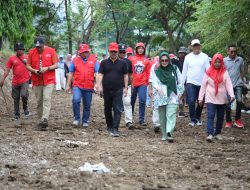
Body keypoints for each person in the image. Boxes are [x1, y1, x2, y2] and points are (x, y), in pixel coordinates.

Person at [198, 54, 234, 142]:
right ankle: (210, 133)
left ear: (221, 62)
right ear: (213, 62)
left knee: (221, 116)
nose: (217, 64)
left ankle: (218, 133)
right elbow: (203, 85)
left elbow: (228, 84)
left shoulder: (224, 72)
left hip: (222, 97)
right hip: (210, 97)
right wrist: (200, 98)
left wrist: (232, 95)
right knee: (210, 115)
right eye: (215, 62)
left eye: (219, 62)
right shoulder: (208, 72)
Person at [97, 42, 128, 137]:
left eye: (115, 51)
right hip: (106, 89)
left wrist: (126, 88)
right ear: (108, 51)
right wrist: (98, 86)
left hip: (118, 89)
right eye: (112, 51)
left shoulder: (123, 63)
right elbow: (100, 74)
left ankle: (115, 128)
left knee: (117, 109)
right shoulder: (104, 62)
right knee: (107, 108)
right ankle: (109, 125)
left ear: (118, 51)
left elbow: (126, 76)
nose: (113, 53)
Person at [151, 51, 184, 142]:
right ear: (160, 61)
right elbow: (154, 82)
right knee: (162, 115)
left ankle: (170, 132)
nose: (164, 62)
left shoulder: (174, 68)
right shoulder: (156, 71)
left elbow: (180, 80)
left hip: (173, 94)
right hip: (161, 95)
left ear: (169, 60)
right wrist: (158, 89)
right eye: (162, 60)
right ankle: (164, 134)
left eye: (166, 60)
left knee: (171, 113)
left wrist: (180, 92)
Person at [26, 37, 58, 130]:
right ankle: (40, 120)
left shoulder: (51, 51)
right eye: (37, 47)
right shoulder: (31, 52)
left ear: (44, 44)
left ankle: (45, 119)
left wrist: (47, 68)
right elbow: (27, 65)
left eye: (40, 47)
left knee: (46, 99)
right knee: (39, 101)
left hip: (49, 80)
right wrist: (34, 70)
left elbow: (56, 64)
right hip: (37, 80)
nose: (39, 48)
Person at [66, 44, 99, 128]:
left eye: (86, 52)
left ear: (89, 51)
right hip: (77, 85)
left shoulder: (94, 60)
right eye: (83, 52)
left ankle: (85, 120)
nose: (84, 54)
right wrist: (68, 85)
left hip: (89, 85)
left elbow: (97, 73)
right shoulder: (75, 60)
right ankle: (77, 118)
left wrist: (97, 84)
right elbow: (70, 73)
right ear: (79, 53)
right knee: (76, 100)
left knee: (87, 104)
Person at [181, 39, 210, 127]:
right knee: (191, 101)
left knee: (201, 102)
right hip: (190, 82)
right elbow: (184, 71)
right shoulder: (188, 57)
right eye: (194, 46)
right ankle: (193, 119)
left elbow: (208, 70)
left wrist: (209, 82)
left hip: (202, 83)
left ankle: (198, 117)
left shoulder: (205, 56)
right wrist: (182, 84)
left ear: (200, 46)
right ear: (191, 47)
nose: (196, 47)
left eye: (197, 45)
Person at [0, 42, 30, 120]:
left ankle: (25, 109)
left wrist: (27, 63)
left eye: (20, 49)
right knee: (15, 98)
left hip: (25, 80)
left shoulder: (28, 57)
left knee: (23, 95)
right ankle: (16, 114)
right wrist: (2, 79)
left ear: (23, 50)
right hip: (15, 82)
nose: (19, 51)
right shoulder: (11, 58)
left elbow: (33, 67)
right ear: (15, 50)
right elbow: (7, 70)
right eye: (17, 49)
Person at [224, 44, 245, 128]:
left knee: (239, 101)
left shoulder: (240, 59)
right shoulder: (224, 60)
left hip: (238, 85)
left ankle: (237, 120)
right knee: (228, 104)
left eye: (235, 51)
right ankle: (228, 121)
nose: (233, 53)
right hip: (228, 86)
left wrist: (242, 81)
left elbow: (242, 71)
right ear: (228, 51)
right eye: (231, 51)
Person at [129, 42, 150, 126]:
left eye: (142, 48)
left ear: (144, 49)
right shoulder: (131, 59)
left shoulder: (146, 60)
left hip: (143, 83)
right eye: (139, 48)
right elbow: (129, 71)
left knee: (142, 100)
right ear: (136, 49)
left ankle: (141, 119)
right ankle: (129, 119)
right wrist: (130, 82)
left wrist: (148, 82)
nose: (140, 49)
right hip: (133, 83)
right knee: (131, 101)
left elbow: (148, 72)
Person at [118, 43, 134, 129]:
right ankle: (115, 121)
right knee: (116, 104)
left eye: (124, 52)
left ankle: (128, 121)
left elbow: (131, 74)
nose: (122, 53)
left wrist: (132, 84)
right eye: (121, 51)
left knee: (127, 102)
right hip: (116, 86)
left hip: (126, 86)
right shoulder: (114, 61)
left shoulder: (128, 61)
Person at [172, 46, 188, 117]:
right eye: (181, 53)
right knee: (177, 96)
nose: (182, 54)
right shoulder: (175, 61)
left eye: (183, 53)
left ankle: (182, 111)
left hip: (185, 80)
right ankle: (178, 110)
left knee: (183, 96)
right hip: (176, 81)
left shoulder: (187, 61)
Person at [148, 56, 161, 132]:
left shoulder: (170, 66)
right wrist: (150, 89)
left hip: (166, 90)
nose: (164, 61)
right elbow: (151, 78)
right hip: (156, 89)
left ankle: (165, 123)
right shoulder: (154, 66)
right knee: (155, 106)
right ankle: (156, 124)